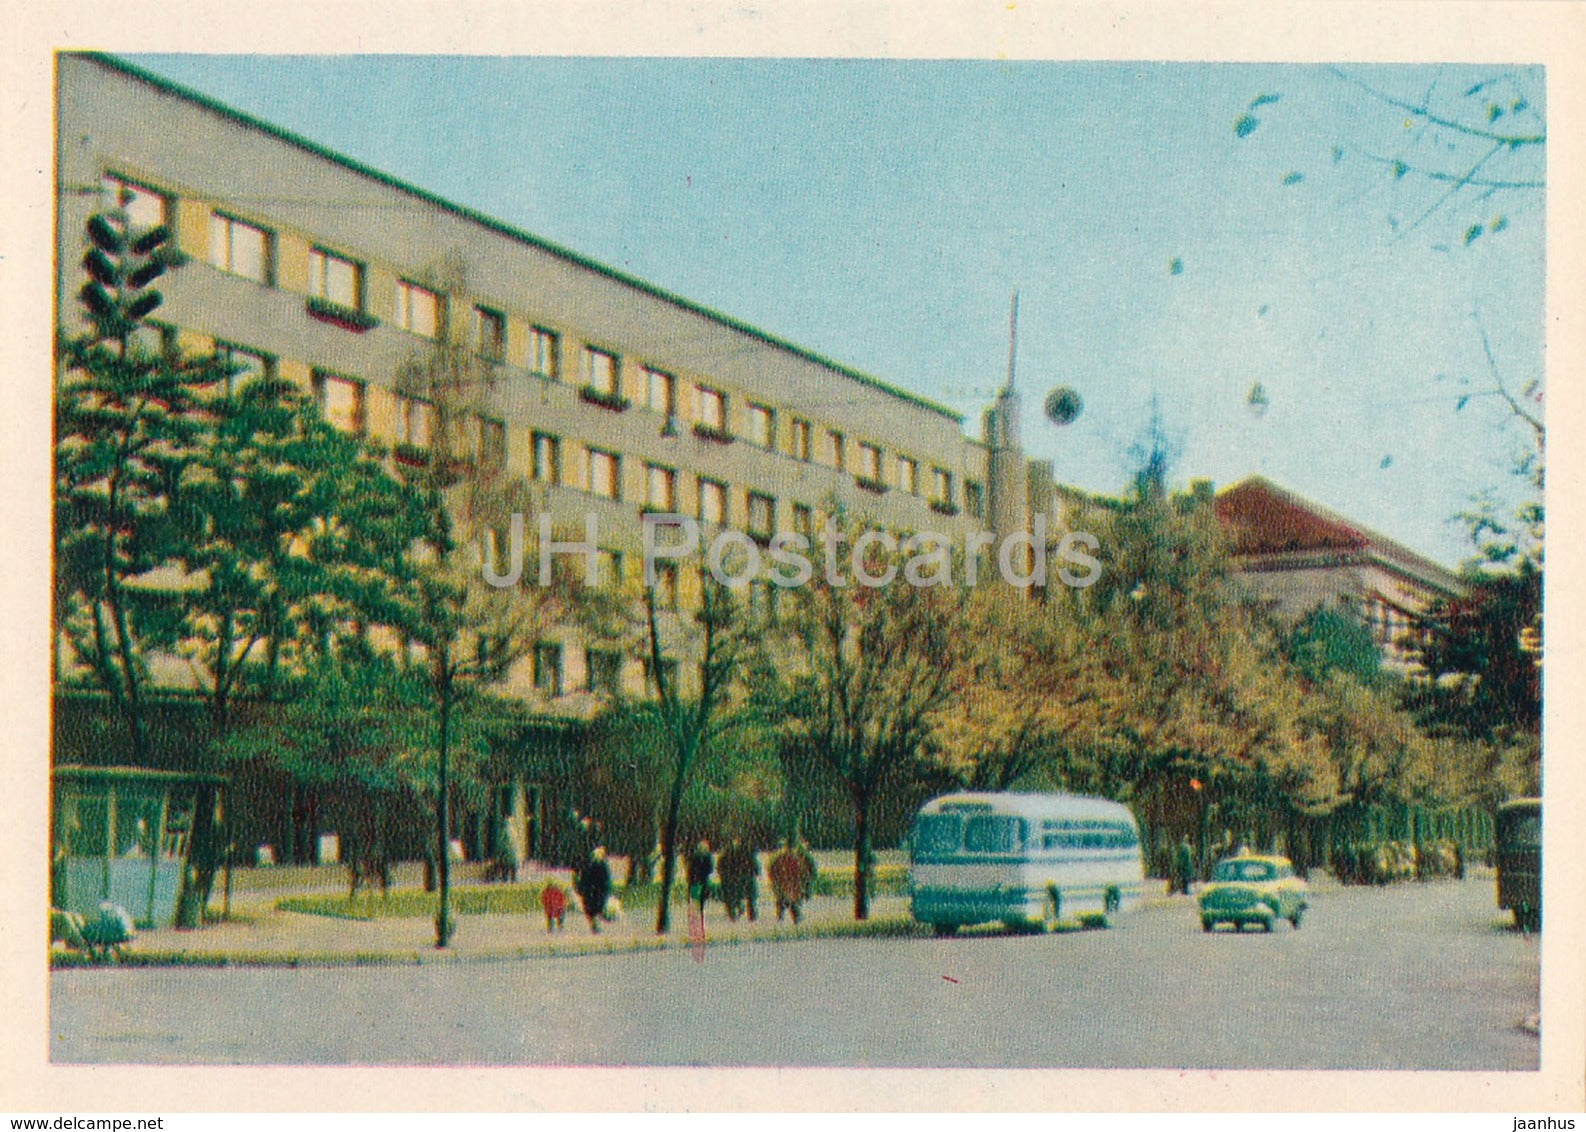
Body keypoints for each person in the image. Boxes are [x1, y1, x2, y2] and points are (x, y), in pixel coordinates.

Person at [769, 839, 814, 924]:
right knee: (787, 901)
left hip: (785, 884)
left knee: (785, 901)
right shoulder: (793, 857)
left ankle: (782, 919)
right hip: (787, 884)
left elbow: (772, 870)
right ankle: (788, 918)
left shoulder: (780, 857)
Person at [717, 837, 760, 921]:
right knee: (750, 897)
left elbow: (720, 868)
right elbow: (755, 868)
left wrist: (724, 876)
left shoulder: (726, 855)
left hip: (731, 881)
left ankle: (732, 913)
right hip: (745, 881)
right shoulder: (747, 854)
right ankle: (751, 913)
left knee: (730, 897)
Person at [575, 847, 612, 934]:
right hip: (594, 891)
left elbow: (584, 878)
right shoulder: (598, 866)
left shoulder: (591, 866)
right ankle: (596, 923)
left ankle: (596, 923)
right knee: (593, 908)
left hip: (593, 891)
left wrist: (581, 888)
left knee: (593, 908)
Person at [686, 839, 715, 919]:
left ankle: (697, 917)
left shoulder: (697, 857)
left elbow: (710, 869)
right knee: (697, 901)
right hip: (699, 881)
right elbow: (710, 869)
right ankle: (697, 916)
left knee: (697, 901)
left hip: (697, 881)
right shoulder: (705, 857)